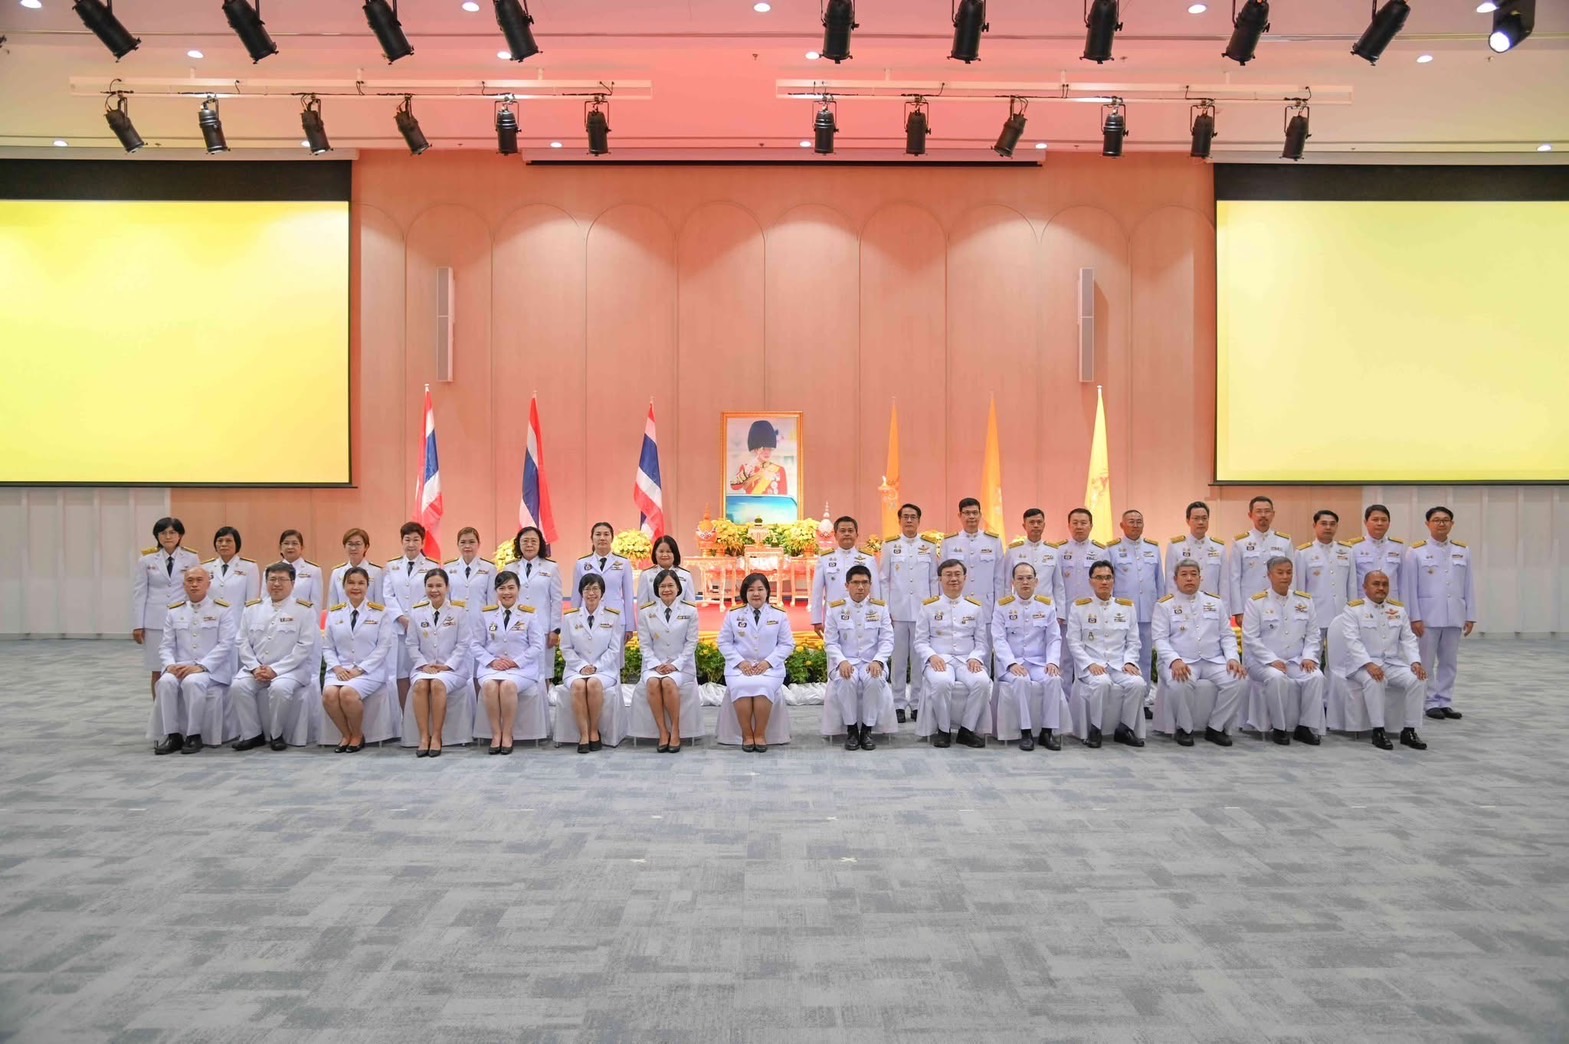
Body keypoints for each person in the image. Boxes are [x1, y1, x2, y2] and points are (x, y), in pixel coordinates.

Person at [1152, 559, 1245, 747]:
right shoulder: (1164, 605)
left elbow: (1227, 635)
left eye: (1193, 575)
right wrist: (1174, 661)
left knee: (1239, 680)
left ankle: (1216, 728)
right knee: (1180, 683)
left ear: (1200, 578)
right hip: (1181, 661)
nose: (1189, 579)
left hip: (1212, 660)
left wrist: (1233, 658)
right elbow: (1160, 639)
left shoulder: (1215, 602)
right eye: (1184, 575)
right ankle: (1184, 729)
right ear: (1175, 579)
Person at [229, 562, 320, 752]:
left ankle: (276, 734)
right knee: (238, 686)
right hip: (257, 668)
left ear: (293, 583)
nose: (276, 584)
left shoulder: (304, 610)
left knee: (279, 688)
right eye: (272, 579)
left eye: (282, 580)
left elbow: (304, 647)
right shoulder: (252, 608)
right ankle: (252, 734)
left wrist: (275, 670)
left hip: (292, 670)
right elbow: (242, 641)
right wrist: (255, 667)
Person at [1335, 571, 1429, 750]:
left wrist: (1415, 662)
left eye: (1385, 584)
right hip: (1361, 665)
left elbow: (1408, 640)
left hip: (1392, 663)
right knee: (1376, 679)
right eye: (1376, 584)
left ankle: (1409, 730)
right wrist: (1369, 664)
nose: (1381, 588)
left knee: (1418, 679)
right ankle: (1378, 730)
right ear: (1365, 587)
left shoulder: (1398, 609)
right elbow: (1353, 641)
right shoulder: (1353, 609)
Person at [152, 565, 237, 755]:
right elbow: (166, 645)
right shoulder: (174, 611)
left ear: (208, 583)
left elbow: (226, 644)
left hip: (212, 670)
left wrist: (202, 667)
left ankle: (193, 735)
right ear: (184, 585)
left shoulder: (222, 610)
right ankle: (173, 735)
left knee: (192, 682)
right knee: (164, 682)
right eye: (190, 581)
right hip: (180, 667)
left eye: (199, 580)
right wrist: (170, 666)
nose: (194, 585)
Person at [1241, 556, 1325, 746]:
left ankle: (1305, 727)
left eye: (1288, 572)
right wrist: (1271, 660)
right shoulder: (1256, 603)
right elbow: (1251, 639)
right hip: (1261, 662)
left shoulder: (1304, 601)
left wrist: (1309, 656)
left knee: (1316, 676)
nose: (1285, 577)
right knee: (1276, 677)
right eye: (1280, 573)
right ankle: (1279, 728)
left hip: (1295, 660)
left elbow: (1313, 635)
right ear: (1269, 575)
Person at [1065, 561, 1148, 749]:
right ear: (1091, 581)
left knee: (1138, 683)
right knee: (1102, 683)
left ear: (1114, 581)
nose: (1104, 582)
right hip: (1092, 665)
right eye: (1099, 578)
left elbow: (1134, 641)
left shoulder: (1126, 607)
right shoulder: (1079, 607)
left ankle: (1125, 728)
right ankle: (1095, 729)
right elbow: (1074, 642)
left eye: (1108, 577)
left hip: (1119, 664)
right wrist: (1088, 664)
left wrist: (1130, 662)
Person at [1406, 506, 1476, 721]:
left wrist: (1470, 615)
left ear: (1452, 524)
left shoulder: (1462, 551)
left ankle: (1445, 700)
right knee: (1425, 662)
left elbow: (1468, 585)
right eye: (1436, 520)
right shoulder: (1416, 552)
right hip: (1428, 617)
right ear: (1428, 524)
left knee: (1449, 662)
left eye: (1446, 520)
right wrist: (1414, 617)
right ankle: (1429, 702)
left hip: (1454, 615)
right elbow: (1410, 588)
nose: (1441, 523)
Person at [914, 559, 991, 749]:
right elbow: (920, 641)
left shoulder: (975, 607)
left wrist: (975, 657)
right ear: (940, 579)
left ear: (965, 578)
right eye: (948, 575)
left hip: (966, 660)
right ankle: (943, 730)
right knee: (941, 683)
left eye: (957, 574)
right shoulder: (928, 606)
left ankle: (967, 730)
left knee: (982, 682)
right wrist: (932, 656)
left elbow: (981, 642)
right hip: (940, 659)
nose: (953, 579)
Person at [991, 562, 1065, 752]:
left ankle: (1047, 732)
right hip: (1013, 664)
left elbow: (1054, 638)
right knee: (1021, 680)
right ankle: (1025, 732)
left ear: (1036, 581)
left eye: (1029, 578)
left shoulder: (1047, 606)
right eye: (1020, 578)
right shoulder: (1002, 606)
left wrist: (1052, 662)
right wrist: (1011, 663)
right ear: (1013, 582)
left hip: (1039, 662)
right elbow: (999, 640)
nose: (1025, 582)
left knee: (1054, 679)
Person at [717, 572, 795, 752]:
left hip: (770, 669)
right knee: (740, 686)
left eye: (760, 589)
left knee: (763, 687)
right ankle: (746, 734)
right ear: (745, 593)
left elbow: (787, 644)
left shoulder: (779, 615)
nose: (756, 593)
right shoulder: (733, 615)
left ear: (767, 592)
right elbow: (724, 642)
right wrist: (740, 662)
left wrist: (768, 663)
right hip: (739, 668)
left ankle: (759, 734)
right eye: (751, 590)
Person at [321, 566, 395, 754]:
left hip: (369, 670)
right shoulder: (334, 613)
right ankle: (346, 734)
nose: (356, 587)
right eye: (351, 583)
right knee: (329, 695)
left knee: (347, 693)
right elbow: (327, 646)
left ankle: (357, 734)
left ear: (367, 586)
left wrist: (360, 669)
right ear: (344, 585)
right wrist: (337, 668)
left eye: (361, 583)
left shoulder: (380, 612)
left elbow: (383, 647)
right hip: (340, 669)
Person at [472, 569, 545, 755]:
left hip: (522, 669)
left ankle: (508, 734)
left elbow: (537, 645)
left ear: (518, 590)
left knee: (507, 687)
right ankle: (496, 734)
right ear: (496, 591)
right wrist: (491, 661)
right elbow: (475, 644)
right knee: (489, 687)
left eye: (511, 588)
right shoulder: (486, 614)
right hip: (492, 667)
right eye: (502, 588)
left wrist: (515, 662)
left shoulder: (529, 614)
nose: (507, 592)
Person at [879, 502, 939, 723]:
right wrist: (886, 609)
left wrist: (933, 608)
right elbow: (883, 579)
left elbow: (934, 579)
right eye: (905, 517)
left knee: (919, 659)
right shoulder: (890, 546)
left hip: (923, 612)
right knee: (898, 660)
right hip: (897, 611)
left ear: (919, 520)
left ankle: (916, 703)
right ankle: (897, 704)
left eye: (913, 516)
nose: (909, 520)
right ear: (899, 520)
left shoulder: (929, 546)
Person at [824, 564, 894, 751]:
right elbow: (830, 642)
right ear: (847, 585)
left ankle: (867, 730)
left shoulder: (880, 608)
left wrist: (879, 660)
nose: (860, 587)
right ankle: (852, 729)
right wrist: (842, 661)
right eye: (855, 583)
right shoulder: (835, 609)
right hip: (846, 661)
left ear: (870, 585)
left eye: (864, 583)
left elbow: (887, 640)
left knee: (874, 679)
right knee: (846, 679)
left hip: (872, 661)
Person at [405, 567, 471, 758]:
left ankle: (437, 736)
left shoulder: (458, 611)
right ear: (425, 588)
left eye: (439, 585)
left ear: (447, 587)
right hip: (423, 667)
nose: (434, 590)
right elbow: (411, 644)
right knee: (419, 686)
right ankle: (424, 736)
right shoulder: (417, 612)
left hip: (452, 669)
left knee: (437, 684)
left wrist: (448, 665)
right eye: (430, 586)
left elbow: (463, 643)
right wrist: (422, 664)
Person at [133, 517, 201, 698]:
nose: (168, 536)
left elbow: (195, 589)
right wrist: (138, 624)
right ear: (157, 536)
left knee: (182, 667)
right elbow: (140, 593)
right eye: (163, 533)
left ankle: (180, 711)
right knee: (157, 669)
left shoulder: (191, 557)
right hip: (155, 622)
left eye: (172, 532)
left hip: (183, 619)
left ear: (180, 535)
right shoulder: (146, 559)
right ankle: (160, 712)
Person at [638, 568, 700, 752]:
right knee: (652, 683)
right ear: (656, 589)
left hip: (682, 666)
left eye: (670, 585)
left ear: (678, 588)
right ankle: (662, 731)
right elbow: (644, 644)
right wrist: (656, 665)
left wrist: (675, 664)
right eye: (662, 586)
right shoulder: (646, 613)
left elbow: (691, 643)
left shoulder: (689, 611)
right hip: (654, 664)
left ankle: (675, 730)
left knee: (667, 683)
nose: (666, 589)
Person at [561, 574, 624, 754]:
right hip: (576, 669)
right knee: (579, 685)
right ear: (581, 592)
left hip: (604, 669)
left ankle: (594, 730)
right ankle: (583, 734)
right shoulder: (570, 617)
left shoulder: (612, 617)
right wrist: (582, 666)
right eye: (587, 589)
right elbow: (566, 648)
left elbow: (614, 649)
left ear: (602, 593)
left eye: (595, 589)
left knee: (594, 684)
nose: (591, 593)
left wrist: (596, 667)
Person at [1106, 508, 1166, 698]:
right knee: (1121, 654)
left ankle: (1145, 697)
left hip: (1148, 611)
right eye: (1130, 521)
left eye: (1138, 521)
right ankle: (1123, 694)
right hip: (1121, 613)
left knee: (1146, 656)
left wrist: (1161, 609)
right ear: (1122, 525)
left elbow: (1159, 582)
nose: (1135, 525)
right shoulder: (1112, 549)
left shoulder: (1152, 548)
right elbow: (1108, 582)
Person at [940, 498, 1006, 662]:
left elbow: (1000, 578)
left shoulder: (993, 540)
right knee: (959, 650)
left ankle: (986, 686)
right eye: (967, 513)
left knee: (985, 651)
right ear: (960, 516)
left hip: (987, 605)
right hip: (957, 606)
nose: (971, 517)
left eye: (975, 513)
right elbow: (942, 578)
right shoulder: (949, 542)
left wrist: (999, 607)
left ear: (980, 515)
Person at [383, 521, 440, 710]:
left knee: (422, 670)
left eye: (416, 539)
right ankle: (404, 715)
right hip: (398, 629)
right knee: (400, 673)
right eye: (407, 539)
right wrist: (401, 618)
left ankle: (421, 714)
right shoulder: (392, 566)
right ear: (402, 541)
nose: (411, 544)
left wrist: (413, 620)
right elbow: (388, 595)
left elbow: (431, 593)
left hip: (422, 628)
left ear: (422, 543)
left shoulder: (432, 565)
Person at [1057, 507, 1107, 687]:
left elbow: (1106, 583)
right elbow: (1057, 584)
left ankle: (1084, 702)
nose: (1079, 527)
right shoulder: (1059, 550)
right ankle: (1065, 701)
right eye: (1075, 523)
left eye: (1083, 523)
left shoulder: (1101, 551)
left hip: (1091, 614)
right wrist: (1059, 612)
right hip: (1067, 614)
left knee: (1089, 657)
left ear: (1091, 526)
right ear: (1068, 526)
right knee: (1065, 659)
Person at [510, 526, 563, 688]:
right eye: (525, 541)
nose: (529, 545)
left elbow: (556, 600)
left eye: (534, 541)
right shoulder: (510, 568)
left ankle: (543, 710)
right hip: (516, 628)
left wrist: (555, 629)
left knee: (543, 672)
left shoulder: (551, 568)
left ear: (540, 544)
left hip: (543, 628)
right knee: (518, 670)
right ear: (518, 544)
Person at [1295, 510, 1356, 645]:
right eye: (1323, 523)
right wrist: (1302, 615)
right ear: (1314, 525)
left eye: (1332, 524)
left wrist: (1353, 611)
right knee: (1313, 655)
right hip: (1315, 612)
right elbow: (1299, 588)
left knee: (1339, 657)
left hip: (1341, 612)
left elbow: (1352, 585)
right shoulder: (1303, 552)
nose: (1328, 527)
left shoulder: (1347, 551)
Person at [812, 516, 881, 635]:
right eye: (843, 531)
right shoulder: (825, 558)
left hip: (861, 614)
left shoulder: (868, 559)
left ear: (857, 534)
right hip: (833, 614)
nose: (847, 534)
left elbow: (875, 591)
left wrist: (876, 616)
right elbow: (817, 592)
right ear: (835, 535)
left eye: (850, 530)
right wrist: (816, 619)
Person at [1227, 496, 1293, 617]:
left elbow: (1292, 576)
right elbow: (1234, 578)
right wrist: (1238, 611)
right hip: (1249, 604)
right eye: (1258, 511)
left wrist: (1292, 604)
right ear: (1250, 515)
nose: (1263, 515)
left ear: (1273, 514)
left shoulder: (1284, 541)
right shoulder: (1240, 542)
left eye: (1267, 511)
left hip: (1279, 603)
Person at [572, 521, 637, 635]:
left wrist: (629, 626)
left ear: (612, 538)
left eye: (606, 534)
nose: (602, 538)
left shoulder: (623, 563)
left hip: (615, 619)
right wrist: (573, 621)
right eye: (598, 534)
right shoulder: (581, 563)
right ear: (591, 538)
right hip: (588, 618)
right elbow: (576, 596)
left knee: (615, 652)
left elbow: (628, 596)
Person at [1168, 501, 1227, 616]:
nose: (1200, 522)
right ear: (1188, 520)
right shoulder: (1175, 546)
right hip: (1183, 606)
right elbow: (1171, 581)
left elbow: (1224, 583)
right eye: (1196, 518)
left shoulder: (1219, 547)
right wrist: (1173, 608)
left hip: (1211, 607)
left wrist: (1225, 610)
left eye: (1204, 518)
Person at [1004, 508, 1067, 609]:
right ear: (1024, 526)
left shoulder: (1054, 550)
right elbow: (1006, 584)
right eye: (1032, 522)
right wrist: (1007, 608)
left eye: (1039, 522)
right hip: (1019, 607)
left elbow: (1058, 585)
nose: (1036, 525)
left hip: (1047, 607)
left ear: (1044, 525)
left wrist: (1060, 612)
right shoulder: (1013, 550)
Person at [1348, 504, 1408, 600]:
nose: (1379, 523)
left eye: (1384, 520)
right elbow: (1351, 582)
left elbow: (1404, 581)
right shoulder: (1354, 547)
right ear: (1365, 522)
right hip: (1363, 603)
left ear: (1389, 523)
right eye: (1375, 520)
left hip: (1391, 603)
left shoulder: (1398, 547)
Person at [328, 528, 384, 610]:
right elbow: (332, 604)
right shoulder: (337, 572)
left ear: (366, 547)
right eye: (350, 544)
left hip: (369, 620)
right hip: (342, 620)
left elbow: (380, 604)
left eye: (358, 544)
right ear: (344, 546)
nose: (353, 548)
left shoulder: (376, 572)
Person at [636, 535, 699, 608]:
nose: (665, 555)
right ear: (655, 553)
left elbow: (690, 605)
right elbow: (642, 606)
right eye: (661, 551)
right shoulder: (646, 575)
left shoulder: (685, 575)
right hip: (654, 618)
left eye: (669, 551)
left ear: (675, 553)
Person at [206, 526, 260, 609]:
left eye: (228, 541)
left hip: (237, 619)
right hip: (212, 619)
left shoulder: (249, 567)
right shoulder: (205, 567)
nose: (223, 544)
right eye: (220, 541)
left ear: (237, 544)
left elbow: (251, 601)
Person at [445, 526, 497, 612]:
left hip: (480, 621)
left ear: (479, 544)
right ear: (457, 544)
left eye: (471, 542)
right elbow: (446, 599)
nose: (467, 546)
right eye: (463, 542)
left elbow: (492, 601)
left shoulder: (489, 568)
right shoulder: (448, 568)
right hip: (455, 620)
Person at [730, 419, 788, 494]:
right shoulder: (746, 468)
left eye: (769, 449)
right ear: (755, 449)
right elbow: (734, 486)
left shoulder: (779, 470)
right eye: (763, 449)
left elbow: (783, 500)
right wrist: (748, 471)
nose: (767, 452)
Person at [276, 529, 322, 607]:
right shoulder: (271, 570)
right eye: (286, 543)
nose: (290, 547)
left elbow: (316, 603)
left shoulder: (313, 570)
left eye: (294, 543)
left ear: (302, 547)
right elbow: (265, 601)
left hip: (302, 617)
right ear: (280, 547)